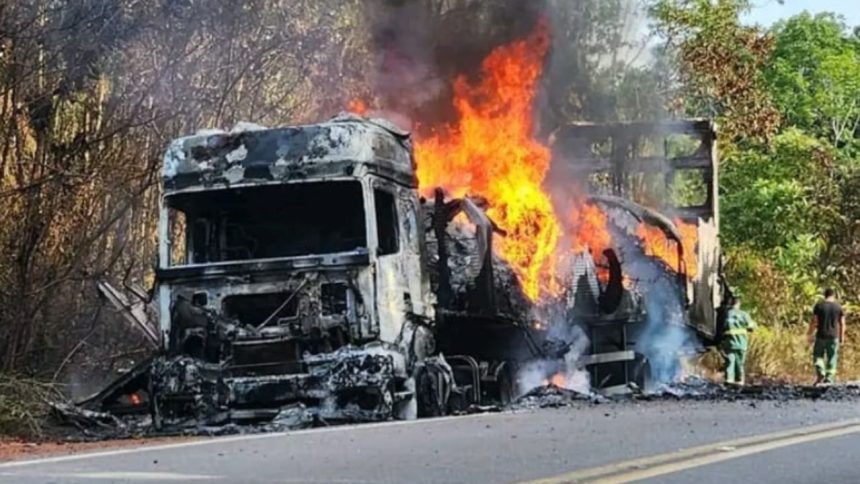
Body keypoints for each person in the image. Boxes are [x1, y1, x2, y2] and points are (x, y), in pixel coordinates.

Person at [807, 288, 845, 384]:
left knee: (818, 355)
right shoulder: (838, 307)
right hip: (833, 336)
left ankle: (821, 372)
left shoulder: (819, 306)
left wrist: (810, 333)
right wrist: (841, 337)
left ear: (825, 295)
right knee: (832, 357)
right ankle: (829, 377)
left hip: (821, 335)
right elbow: (842, 323)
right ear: (834, 295)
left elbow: (814, 321)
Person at [723, 295, 756, 386]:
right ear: (739, 304)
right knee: (740, 363)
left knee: (729, 362)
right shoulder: (744, 314)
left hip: (729, 343)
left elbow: (719, 329)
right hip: (741, 343)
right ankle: (739, 381)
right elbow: (751, 327)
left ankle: (729, 380)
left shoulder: (725, 314)